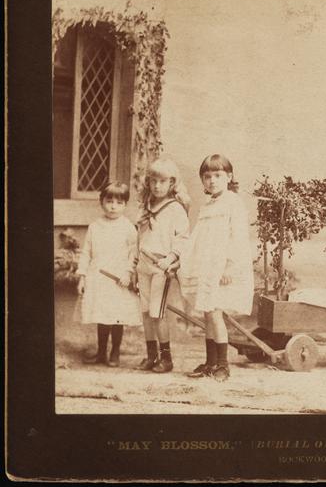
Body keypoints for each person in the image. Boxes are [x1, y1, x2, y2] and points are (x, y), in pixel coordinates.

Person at [178, 154, 255, 382]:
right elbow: (199, 238)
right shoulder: (208, 205)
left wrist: (229, 267)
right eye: (207, 176)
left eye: (218, 175)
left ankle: (223, 365)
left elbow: (238, 238)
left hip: (223, 268)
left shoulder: (233, 203)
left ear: (229, 177)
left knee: (215, 313)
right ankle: (210, 362)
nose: (212, 181)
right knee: (208, 313)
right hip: (208, 266)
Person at [76, 182, 142, 367]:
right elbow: (86, 252)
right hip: (98, 277)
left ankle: (115, 352)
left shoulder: (128, 227)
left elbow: (134, 254)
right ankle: (101, 352)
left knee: (116, 316)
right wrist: (82, 277)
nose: (113, 206)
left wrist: (128, 273)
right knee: (102, 315)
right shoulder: (95, 226)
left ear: (125, 205)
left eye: (119, 203)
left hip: (118, 279)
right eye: (109, 201)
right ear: (101, 202)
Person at [135, 157, 190, 373]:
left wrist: (171, 258)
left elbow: (183, 238)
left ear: (172, 183)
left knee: (157, 313)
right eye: (153, 181)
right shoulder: (145, 207)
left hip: (161, 267)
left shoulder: (175, 209)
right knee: (146, 312)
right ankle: (151, 355)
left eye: (162, 181)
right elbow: (139, 238)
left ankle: (166, 359)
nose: (157, 186)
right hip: (144, 265)